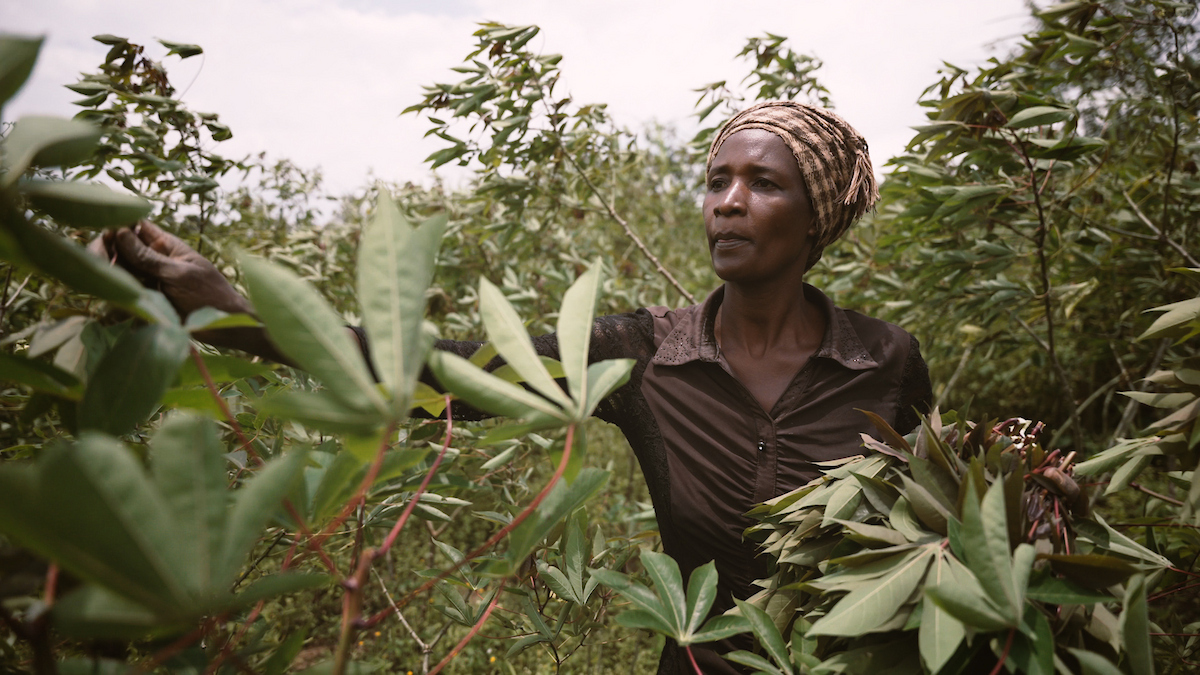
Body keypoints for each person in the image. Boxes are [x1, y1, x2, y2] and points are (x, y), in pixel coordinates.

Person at [98, 101, 932, 674]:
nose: (729, 203)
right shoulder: (647, 353)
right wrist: (239, 316)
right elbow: (445, 372)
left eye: (764, 183)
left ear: (816, 215)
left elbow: (932, 537)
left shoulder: (887, 362)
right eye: (717, 181)